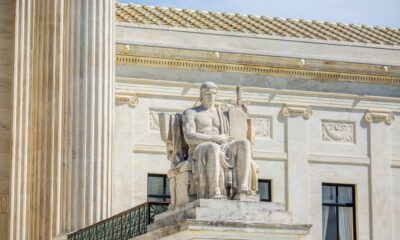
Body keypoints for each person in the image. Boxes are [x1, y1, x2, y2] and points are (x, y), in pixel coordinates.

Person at [182, 82, 257, 199]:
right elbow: (189, 136)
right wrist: (215, 138)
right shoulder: (191, 112)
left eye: (213, 93)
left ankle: (242, 188)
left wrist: (243, 113)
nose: (210, 96)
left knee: (244, 144)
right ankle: (214, 191)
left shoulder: (222, 113)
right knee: (213, 147)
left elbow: (240, 126)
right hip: (200, 146)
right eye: (207, 93)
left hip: (223, 145)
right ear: (201, 95)